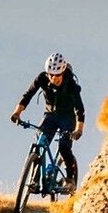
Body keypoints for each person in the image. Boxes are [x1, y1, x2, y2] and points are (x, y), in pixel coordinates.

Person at [10, 54, 86, 203]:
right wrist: (17, 113)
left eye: (57, 75)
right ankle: (35, 180)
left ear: (62, 72)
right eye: (51, 74)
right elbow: (28, 95)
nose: (54, 78)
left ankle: (70, 178)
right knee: (40, 142)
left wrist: (78, 130)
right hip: (50, 116)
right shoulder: (42, 78)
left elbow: (80, 109)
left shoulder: (71, 84)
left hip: (67, 118)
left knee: (64, 147)